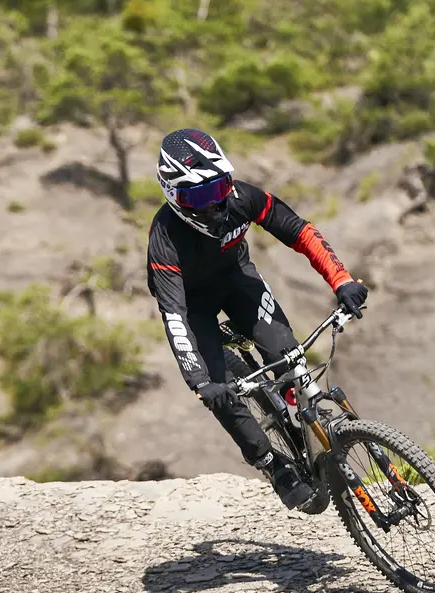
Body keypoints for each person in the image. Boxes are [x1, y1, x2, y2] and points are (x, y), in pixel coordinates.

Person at [147, 128, 368, 509]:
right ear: (174, 196)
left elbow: (299, 231)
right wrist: (200, 381)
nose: (215, 204)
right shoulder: (164, 238)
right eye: (201, 196)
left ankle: (305, 422)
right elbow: (175, 315)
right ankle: (272, 464)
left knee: (291, 362)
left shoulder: (241, 197)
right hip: (192, 305)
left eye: (219, 189)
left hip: (238, 281)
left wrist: (341, 280)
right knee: (218, 392)